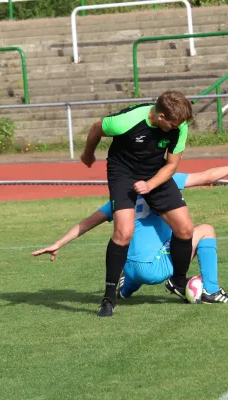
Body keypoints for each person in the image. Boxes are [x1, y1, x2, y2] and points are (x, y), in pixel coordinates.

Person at [33, 157, 228, 311]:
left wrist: (58, 243)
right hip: (155, 268)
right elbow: (207, 176)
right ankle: (210, 290)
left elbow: (87, 223)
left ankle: (127, 287)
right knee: (204, 230)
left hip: (128, 266)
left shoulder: (123, 194)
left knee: (138, 243)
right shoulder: (165, 182)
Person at [80, 91, 195, 317]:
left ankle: (179, 283)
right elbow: (95, 128)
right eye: (173, 123)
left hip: (155, 172)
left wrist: (150, 184)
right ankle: (109, 297)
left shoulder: (179, 126)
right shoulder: (125, 121)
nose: (177, 127)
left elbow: (171, 165)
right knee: (124, 232)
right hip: (122, 173)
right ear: (161, 117)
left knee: (185, 229)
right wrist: (88, 154)